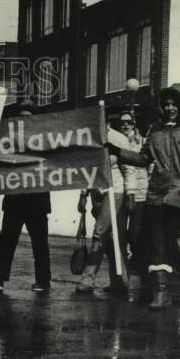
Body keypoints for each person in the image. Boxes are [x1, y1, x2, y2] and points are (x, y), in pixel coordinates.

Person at [109, 87, 180, 309]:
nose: (170, 108)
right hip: (156, 195)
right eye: (166, 104)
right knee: (159, 244)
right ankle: (164, 292)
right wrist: (117, 152)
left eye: (174, 104)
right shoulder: (154, 130)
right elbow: (144, 158)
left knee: (172, 245)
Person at [0, 100, 52, 293]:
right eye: (22, 117)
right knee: (7, 240)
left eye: (29, 118)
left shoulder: (46, 140)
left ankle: (43, 281)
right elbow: (1, 171)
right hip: (14, 200)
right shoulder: (8, 142)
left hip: (37, 200)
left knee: (40, 243)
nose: (25, 121)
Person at [75, 118, 131, 295]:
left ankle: (88, 277)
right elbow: (85, 168)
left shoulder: (119, 139)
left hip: (115, 190)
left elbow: (129, 168)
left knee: (99, 232)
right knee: (109, 237)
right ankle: (120, 280)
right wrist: (83, 194)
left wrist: (131, 194)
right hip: (95, 191)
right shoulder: (88, 138)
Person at [119, 112, 149, 300]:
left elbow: (150, 166)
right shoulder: (119, 141)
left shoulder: (142, 142)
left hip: (140, 192)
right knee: (122, 234)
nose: (126, 125)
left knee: (135, 233)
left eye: (129, 122)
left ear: (134, 124)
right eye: (123, 123)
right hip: (123, 192)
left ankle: (138, 271)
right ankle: (124, 274)